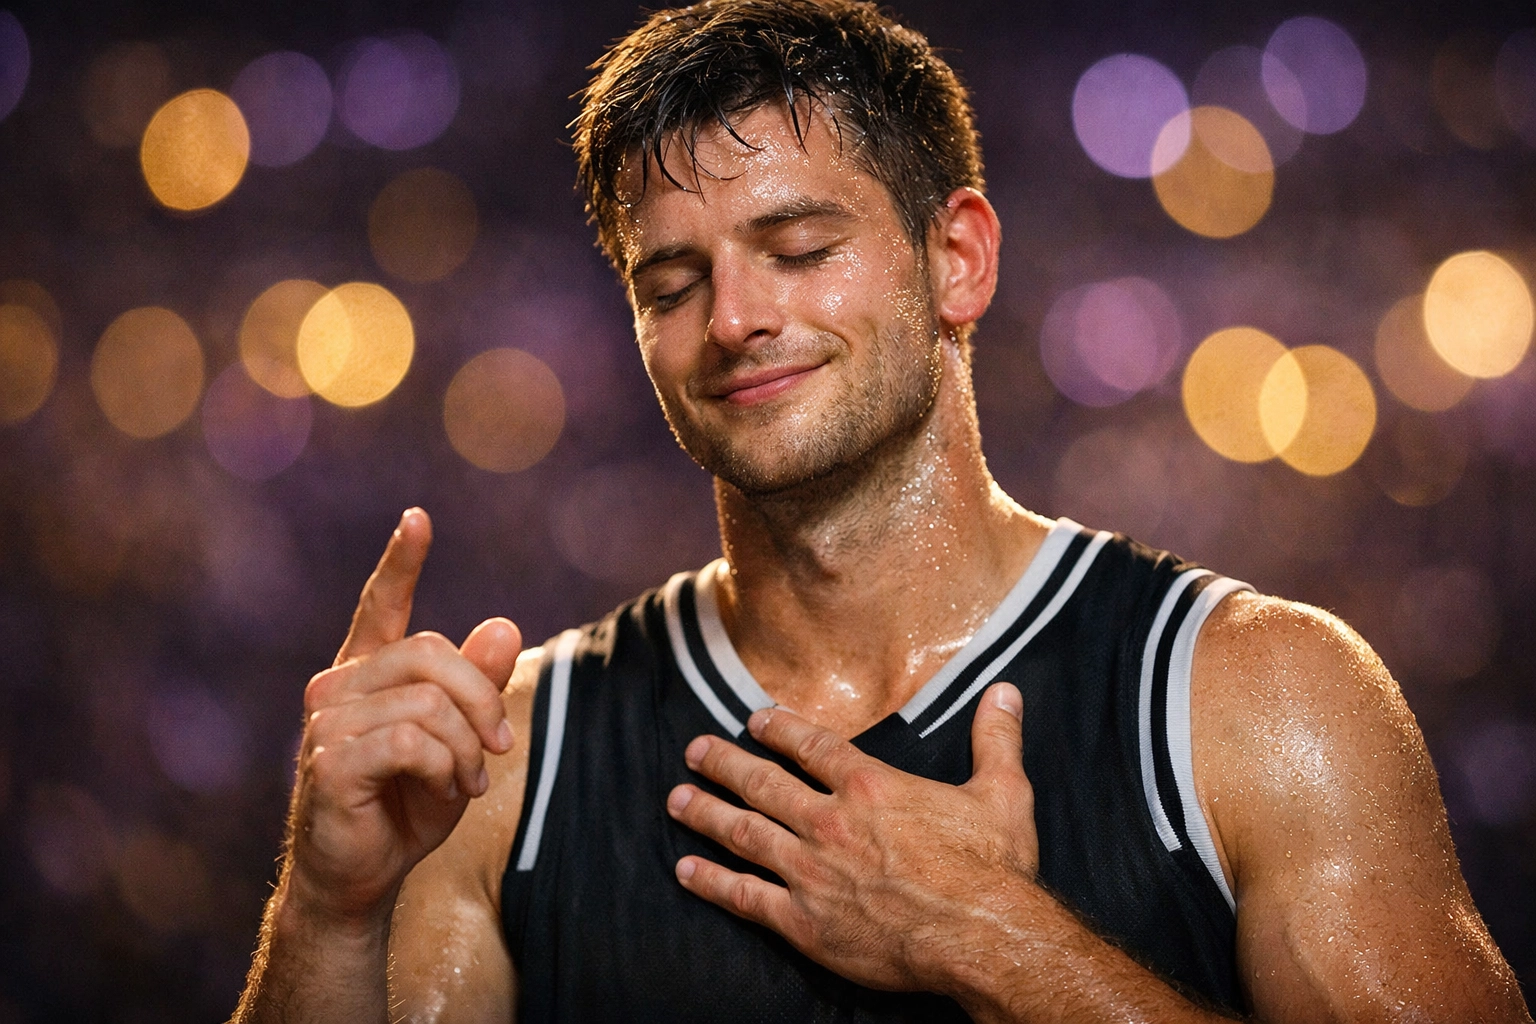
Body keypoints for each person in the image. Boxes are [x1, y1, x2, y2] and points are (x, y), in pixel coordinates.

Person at [233, 1, 1531, 1021]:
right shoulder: (507, 762)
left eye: (799, 250)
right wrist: (329, 914)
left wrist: (1001, 945)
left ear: (956, 257)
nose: (735, 319)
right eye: (672, 279)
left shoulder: (1261, 698)